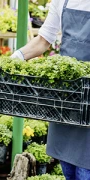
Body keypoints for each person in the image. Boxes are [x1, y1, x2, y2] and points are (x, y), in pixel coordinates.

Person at [11, 0, 90, 179]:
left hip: (89, 101)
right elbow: (42, 41)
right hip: (66, 100)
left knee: (84, 173)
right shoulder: (62, 1)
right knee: (69, 170)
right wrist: (14, 58)